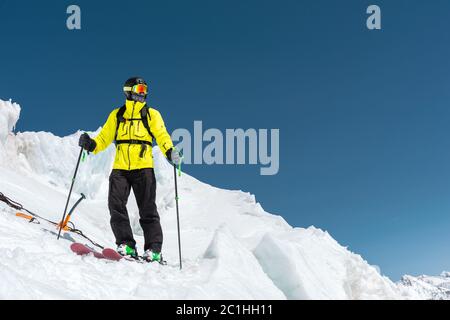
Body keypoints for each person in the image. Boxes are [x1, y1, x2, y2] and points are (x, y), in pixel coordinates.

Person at [78, 77, 181, 263]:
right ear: (128, 91)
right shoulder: (117, 115)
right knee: (115, 205)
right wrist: (91, 144)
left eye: (145, 89)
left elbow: (162, 135)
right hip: (121, 169)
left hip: (144, 168)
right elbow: (104, 139)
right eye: (140, 88)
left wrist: (170, 150)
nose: (143, 92)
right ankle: (126, 244)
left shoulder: (152, 114)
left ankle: (154, 250)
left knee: (147, 210)